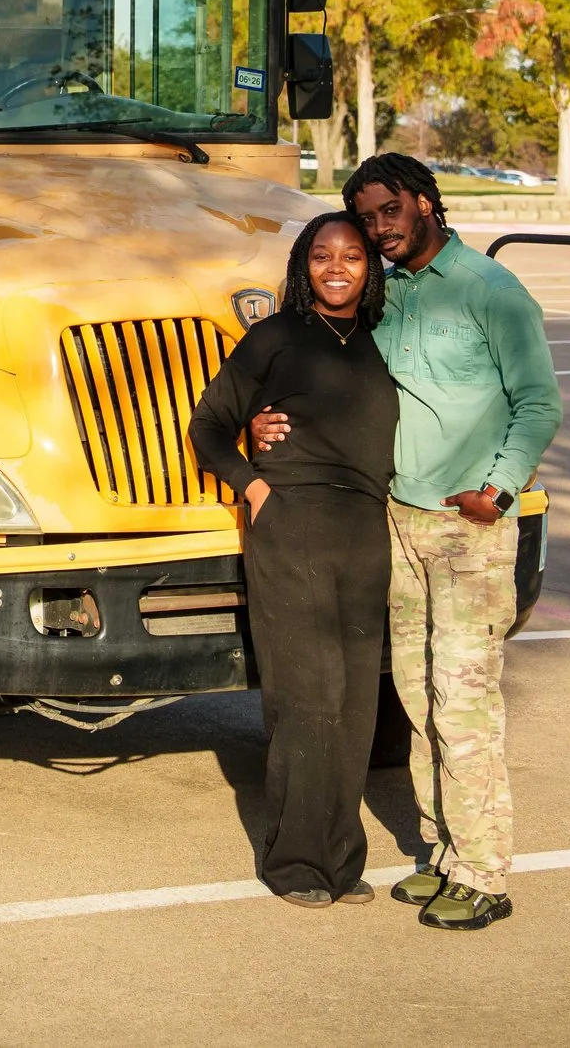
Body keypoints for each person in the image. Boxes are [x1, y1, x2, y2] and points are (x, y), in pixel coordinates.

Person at [252, 152, 561, 932]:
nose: (377, 228)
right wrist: (259, 422)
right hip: (397, 519)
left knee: (463, 701)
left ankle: (486, 872)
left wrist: (498, 488)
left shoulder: (491, 290)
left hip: (469, 527)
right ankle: (446, 854)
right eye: (366, 216)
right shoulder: (383, 297)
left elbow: (539, 402)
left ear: (426, 204)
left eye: (389, 211)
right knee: (418, 699)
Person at [189, 210, 398, 909]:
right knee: (308, 696)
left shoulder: (382, 338)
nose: (336, 267)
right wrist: (254, 486)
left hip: (367, 531)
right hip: (293, 525)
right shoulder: (274, 336)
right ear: (302, 267)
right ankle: (294, 863)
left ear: (371, 268)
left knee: (356, 702)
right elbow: (208, 424)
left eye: (352, 256)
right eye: (321, 256)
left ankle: (342, 859)